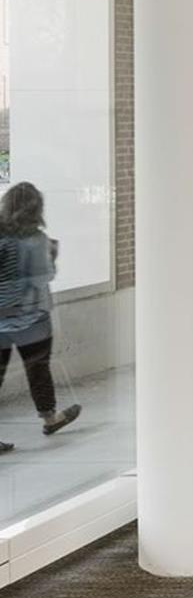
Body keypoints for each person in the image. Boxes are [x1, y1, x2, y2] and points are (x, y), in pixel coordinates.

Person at [0, 183, 80, 453]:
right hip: (31, 320)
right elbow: (43, 277)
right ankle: (50, 418)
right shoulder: (36, 240)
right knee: (38, 369)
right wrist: (52, 256)